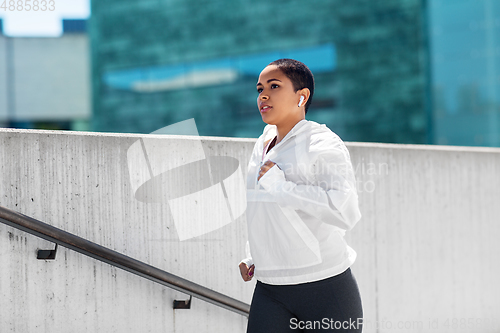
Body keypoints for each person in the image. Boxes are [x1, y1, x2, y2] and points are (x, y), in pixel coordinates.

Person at [238, 58, 363, 332]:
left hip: (325, 287)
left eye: (274, 86)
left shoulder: (322, 143)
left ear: (302, 96)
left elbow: (345, 211)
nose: (264, 95)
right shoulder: (262, 144)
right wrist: (254, 255)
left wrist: (282, 187)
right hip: (270, 288)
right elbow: (262, 209)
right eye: (259, 89)